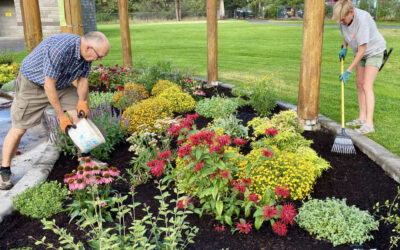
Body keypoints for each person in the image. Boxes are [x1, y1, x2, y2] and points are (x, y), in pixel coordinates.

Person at [0, 31, 110, 190]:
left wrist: (82, 101)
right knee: (19, 129)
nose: (99, 60)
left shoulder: (87, 55)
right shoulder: (59, 49)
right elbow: (48, 86)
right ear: (87, 47)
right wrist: (61, 116)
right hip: (33, 85)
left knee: (81, 117)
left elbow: (83, 79)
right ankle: (4, 170)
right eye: (99, 56)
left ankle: (85, 158)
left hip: (61, 84)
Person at [333, 0, 386, 135]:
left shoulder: (362, 21)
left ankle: (369, 124)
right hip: (360, 51)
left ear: (351, 13)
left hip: (374, 51)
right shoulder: (343, 20)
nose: (341, 22)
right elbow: (346, 33)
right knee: (359, 84)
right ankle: (361, 118)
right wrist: (344, 47)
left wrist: (348, 70)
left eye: (343, 19)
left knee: (367, 85)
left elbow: (362, 50)